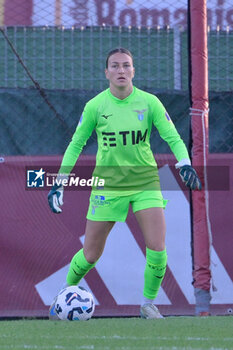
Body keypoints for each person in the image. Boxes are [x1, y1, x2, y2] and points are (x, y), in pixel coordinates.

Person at [48, 47, 201, 319]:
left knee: (157, 246)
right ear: (106, 72)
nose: (121, 71)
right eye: (115, 66)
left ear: (134, 71)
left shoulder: (149, 102)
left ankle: (148, 304)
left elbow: (173, 137)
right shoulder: (96, 106)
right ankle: (64, 293)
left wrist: (185, 163)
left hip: (145, 182)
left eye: (126, 66)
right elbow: (76, 145)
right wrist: (59, 182)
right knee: (91, 254)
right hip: (107, 185)